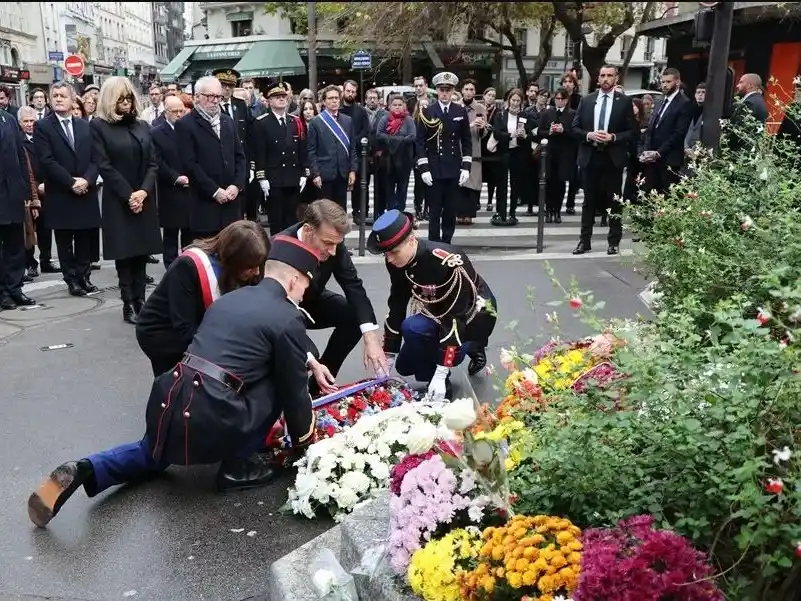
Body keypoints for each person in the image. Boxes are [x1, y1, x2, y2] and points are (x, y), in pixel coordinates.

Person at [27, 235, 336, 528]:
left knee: (151, 453)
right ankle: (238, 466)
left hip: (171, 395)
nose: (305, 292)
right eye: (306, 283)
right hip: (216, 413)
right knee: (281, 376)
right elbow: (294, 394)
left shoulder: (231, 299)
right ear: (295, 279)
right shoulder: (287, 316)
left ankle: (86, 468)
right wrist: (304, 444)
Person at [367, 209, 496, 401]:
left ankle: (469, 350)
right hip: (436, 311)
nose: (390, 259)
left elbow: (455, 317)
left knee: (421, 333)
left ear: (412, 240)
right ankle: (440, 364)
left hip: (473, 315)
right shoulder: (396, 260)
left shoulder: (447, 261)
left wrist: (441, 372)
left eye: (394, 252)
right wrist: (390, 354)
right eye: (386, 254)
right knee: (405, 365)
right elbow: (398, 302)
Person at [136, 220, 270, 377]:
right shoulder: (188, 266)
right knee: (178, 388)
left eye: (259, 265)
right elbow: (185, 329)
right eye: (250, 267)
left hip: (197, 324)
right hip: (164, 333)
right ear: (233, 258)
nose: (256, 272)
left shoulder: (244, 266)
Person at [280, 200, 387, 393]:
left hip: (312, 301)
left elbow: (353, 285)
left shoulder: (334, 243)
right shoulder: (279, 247)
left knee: (354, 316)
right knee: (308, 354)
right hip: (280, 312)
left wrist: (370, 336)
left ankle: (321, 385)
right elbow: (273, 310)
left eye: (337, 244)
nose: (333, 251)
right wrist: (310, 358)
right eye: (328, 243)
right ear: (308, 230)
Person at [91, 77, 163, 324]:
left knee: (141, 252)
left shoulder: (142, 126)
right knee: (125, 253)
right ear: (110, 100)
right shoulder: (99, 126)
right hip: (118, 199)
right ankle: (128, 303)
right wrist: (129, 195)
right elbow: (104, 165)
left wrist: (143, 192)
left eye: (129, 98)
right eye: (120, 99)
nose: (125, 103)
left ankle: (141, 300)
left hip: (144, 196)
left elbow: (153, 163)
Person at [571, 65, 636, 256]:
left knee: (614, 201)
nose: (605, 79)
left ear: (616, 78)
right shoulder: (588, 100)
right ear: (597, 79)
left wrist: (613, 137)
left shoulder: (624, 102)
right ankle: (584, 241)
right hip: (591, 156)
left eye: (609, 75)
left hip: (612, 157)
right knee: (588, 201)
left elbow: (632, 132)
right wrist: (589, 135)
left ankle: (613, 242)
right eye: (602, 75)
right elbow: (574, 128)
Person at [415, 71, 472, 244]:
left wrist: (466, 167)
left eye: (448, 89)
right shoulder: (427, 111)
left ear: (453, 90)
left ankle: (447, 242)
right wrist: (424, 168)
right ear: (436, 91)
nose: (445, 93)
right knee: (434, 211)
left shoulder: (460, 111)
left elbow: (466, 140)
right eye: (441, 89)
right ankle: (433, 243)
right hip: (434, 168)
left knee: (450, 210)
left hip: (453, 168)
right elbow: (419, 142)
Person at [253, 82, 309, 235]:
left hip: (293, 177)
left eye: (284, 96)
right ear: (269, 101)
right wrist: (262, 177)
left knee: (292, 220)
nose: (281, 99)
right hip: (274, 179)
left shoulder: (295, 121)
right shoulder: (261, 123)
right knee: (276, 221)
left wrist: (304, 173)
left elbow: (302, 150)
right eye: (277, 97)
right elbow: (259, 153)